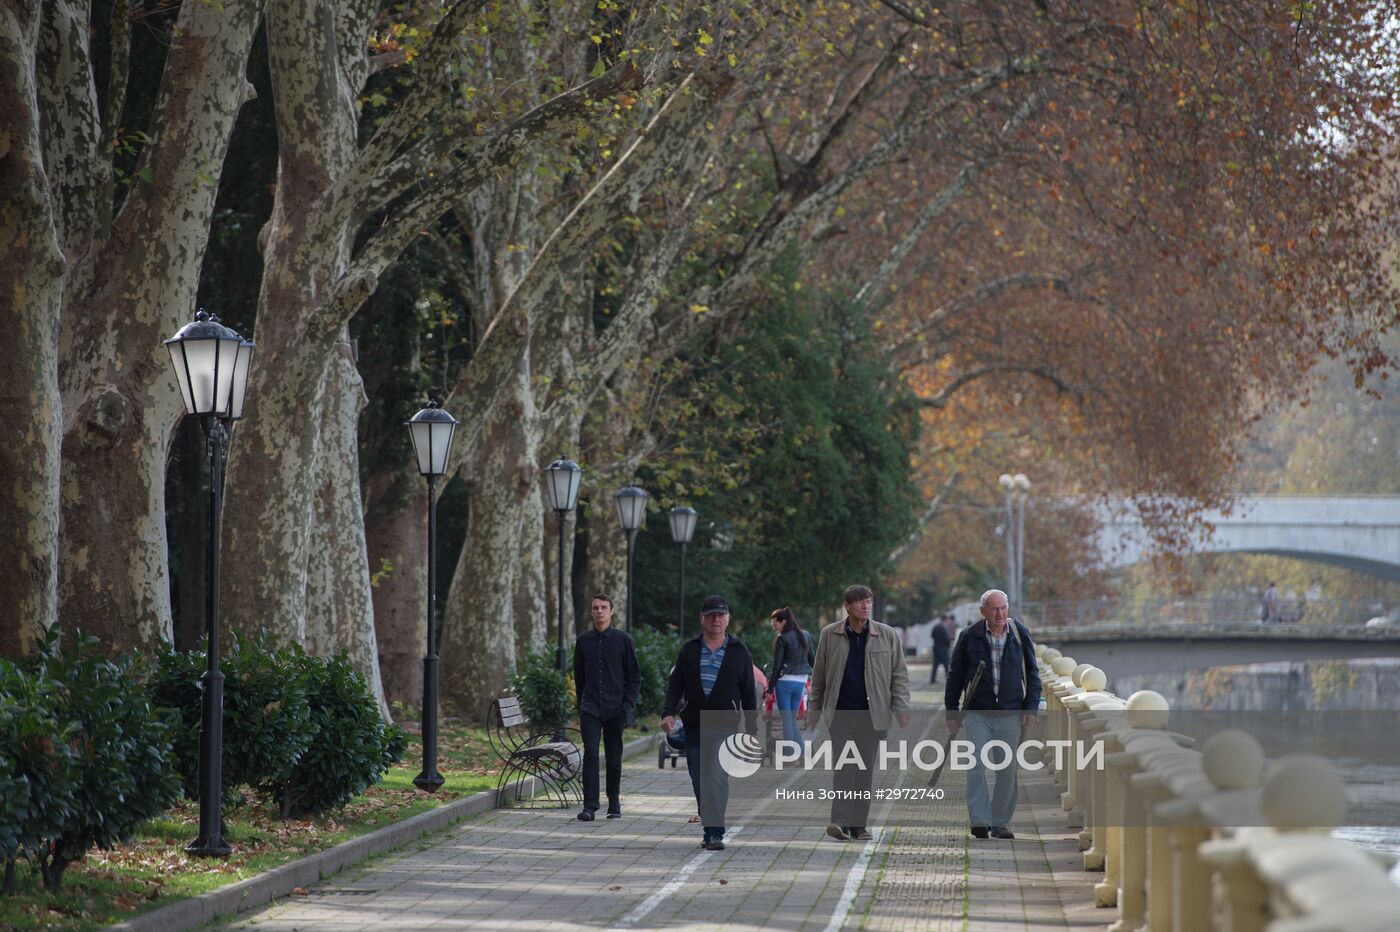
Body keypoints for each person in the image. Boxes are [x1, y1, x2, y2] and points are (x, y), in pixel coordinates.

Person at [809, 584, 911, 842]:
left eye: (868, 602)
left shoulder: (886, 635)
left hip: (872, 716)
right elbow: (818, 676)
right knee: (843, 767)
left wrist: (901, 707)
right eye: (860, 602)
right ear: (847, 606)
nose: (865, 606)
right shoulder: (830, 635)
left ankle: (859, 825)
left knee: (864, 770)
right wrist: (814, 709)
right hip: (840, 713)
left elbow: (899, 675)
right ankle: (839, 822)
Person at [662, 595, 758, 851]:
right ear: (702, 619)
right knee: (698, 777)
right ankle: (708, 814)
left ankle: (714, 831)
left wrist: (752, 731)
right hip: (694, 724)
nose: (716, 620)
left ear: (728, 619)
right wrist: (668, 713)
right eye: (711, 615)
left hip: (725, 723)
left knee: (716, 777)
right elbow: (675, 685)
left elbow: (749, 692)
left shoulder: (739, 651)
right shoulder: (690, 649)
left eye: (721, 615)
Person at [944, 588, 1041, 841]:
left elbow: (1032, 673)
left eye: (1003, 608)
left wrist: (1031, 708)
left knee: (1007, 770)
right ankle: (979, 819)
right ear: (983, 611)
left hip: (1011, 713)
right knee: (975, 765)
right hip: (977, 712)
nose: (1000, 613)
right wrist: (951, 712)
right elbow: (954, 676)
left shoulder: (1020, 634)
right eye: (994, 608)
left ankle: (999, 823)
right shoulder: (969, 636)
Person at [573, 593, 641, 821]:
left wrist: (626, 705)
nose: (599, 611)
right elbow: (579, 675)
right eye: (595, 608)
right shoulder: (583, 641)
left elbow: (634, 677)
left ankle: (614, 802)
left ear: (612, 611)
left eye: (603, 607)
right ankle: (590, 806)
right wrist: (581, 703)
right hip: (590, 706)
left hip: (616, 708)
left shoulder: (623, 640)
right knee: (591, 753)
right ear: (591, 612)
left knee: (613, 757)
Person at [768, 607, 814, 747]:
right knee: (791, 720)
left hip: (785, 683)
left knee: (787, 720)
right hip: (801, 681)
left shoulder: (782, 638)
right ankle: (800, 753)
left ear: (784, 622)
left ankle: (790, 755)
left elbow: (777, 666)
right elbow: (812, 659)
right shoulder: (805, 634)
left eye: (776, 624)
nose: (775, 627)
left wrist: (770, 689)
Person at [929, 613, 957, 685]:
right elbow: (947, 638)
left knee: (935, 665)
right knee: (946, 664)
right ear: (945, 620)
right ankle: (949, 679)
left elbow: (932, 635)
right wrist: (949, 642)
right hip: (943, 648)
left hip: (936, 647)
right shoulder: (944, 627)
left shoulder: (936, 626)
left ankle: (933, 679)